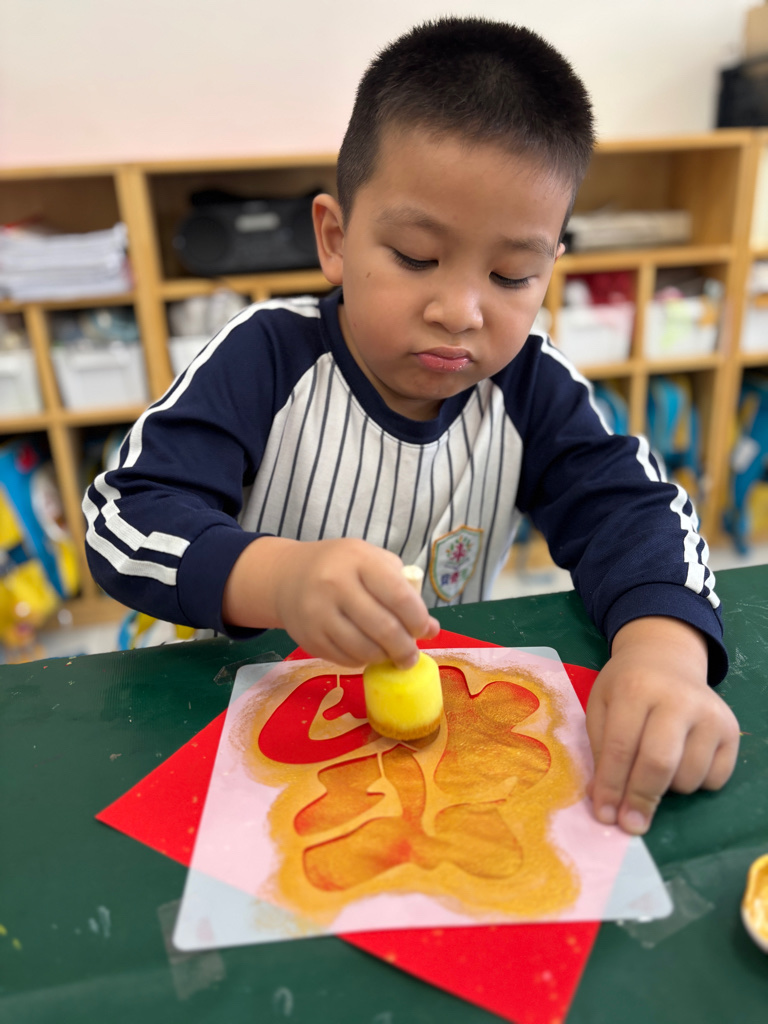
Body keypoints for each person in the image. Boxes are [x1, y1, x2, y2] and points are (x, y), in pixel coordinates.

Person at [83, 16, 739, 836]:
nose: (459, 310)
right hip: (202, 715)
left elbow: (634, 513)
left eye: (511, 275)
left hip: (413, 743)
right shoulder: (264, 358)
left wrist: (664, 654)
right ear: (335, 238)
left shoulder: (531, 387)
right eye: (417, 258)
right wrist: (279, 578)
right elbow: (125, 519)